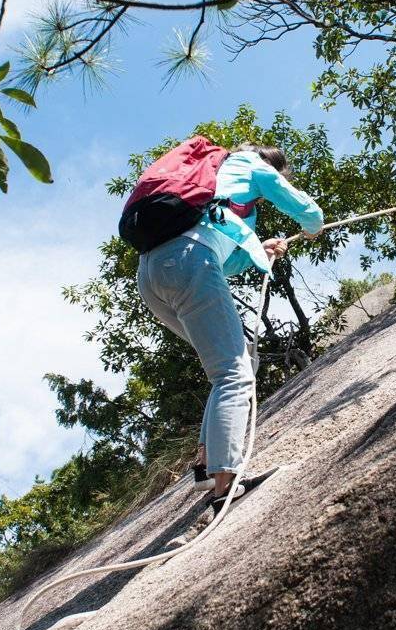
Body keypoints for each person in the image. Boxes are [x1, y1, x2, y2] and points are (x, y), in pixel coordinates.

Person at [134, 143, 323, 507]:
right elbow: (300, 206)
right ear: (272, 164)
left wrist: (259, 252)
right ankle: (226, 486)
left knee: (233, 367)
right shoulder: (251, 165)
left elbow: (221, 261)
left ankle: (206, 467)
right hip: (188, 262)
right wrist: (313, 224)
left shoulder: (213, 186)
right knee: (235, 374)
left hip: (153, 275)